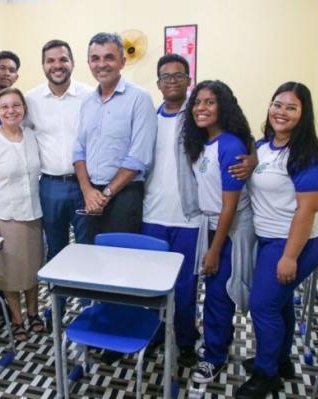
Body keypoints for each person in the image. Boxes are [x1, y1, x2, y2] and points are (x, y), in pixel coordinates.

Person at [237, 82, 318, 398]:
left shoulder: (309, 155)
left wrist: (289, 257)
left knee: (263, 305)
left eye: (291, 107)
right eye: (277, 104)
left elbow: (307, 210)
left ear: (303, 115)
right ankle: (280, 361)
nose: (281, 112)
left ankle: (266, 375)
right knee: (280, 301)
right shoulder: (264, 146)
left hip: (297, 239)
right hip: (270, 236)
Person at [177, 80, 256, 384]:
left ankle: (214, 357)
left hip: (230, 228)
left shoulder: (231, 145)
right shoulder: (203, 142)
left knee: (219, 294)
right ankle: (216, 343)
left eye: (209, 102)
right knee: (213, 291)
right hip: (210, 224)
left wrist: (213, 250)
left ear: (223, 106)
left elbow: (229, 206)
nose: (201, 108)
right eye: (197, 102)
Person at [140, 54, 201, 366]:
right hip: (151, 214)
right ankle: (154, 333)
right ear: (158, 83)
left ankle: (186, 340)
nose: (172, 81)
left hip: (189, 218)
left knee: (186, 286)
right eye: (166, 76)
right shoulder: (148, 118)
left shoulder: (199, 118)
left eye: (179, 75)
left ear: (189, 80)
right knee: (151, 283)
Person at [0, 88, 44, 342]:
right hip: (5, 216)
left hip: (34, 213)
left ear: (23, 108)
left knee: (33, 268)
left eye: (16, 105)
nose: (11, 110)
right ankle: (17, 319)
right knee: (11, 272)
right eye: (4, 107)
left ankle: (34, 313)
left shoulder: (32, 137)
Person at [73, 32, 156, 244]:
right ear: (89, 63)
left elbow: (139, 156)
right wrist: (88, 190)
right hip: (91, 196)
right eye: (95, 58)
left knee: (120, 264)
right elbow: (79, 150)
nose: (102, 64)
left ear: (122, 61)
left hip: (124, 196)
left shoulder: (139, 99)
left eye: (109, 57)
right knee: (91, 259)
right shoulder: (88, 102)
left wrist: (107, 194)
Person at [26, 39, 92, 262]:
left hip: (86, 185)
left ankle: (87, 298)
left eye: (63, 59)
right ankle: (58, 298)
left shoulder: (90, 96)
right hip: (50, 186)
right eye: (50, 61)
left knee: (87, 249)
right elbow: (14, 132)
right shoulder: (30, 100)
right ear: (43, 65)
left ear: (73, 63)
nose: (57, 65)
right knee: (55, 250)